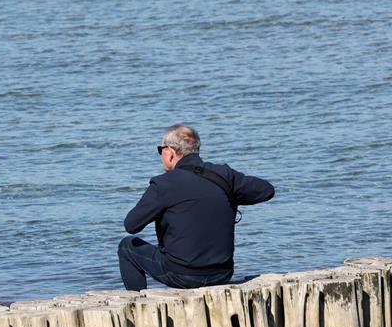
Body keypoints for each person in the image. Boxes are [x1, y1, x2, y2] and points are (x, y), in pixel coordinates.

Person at [118, 124, 275, 290]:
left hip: (182, 275)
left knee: (127, 246)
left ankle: (137, 302)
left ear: (169, 152)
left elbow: (131, 225)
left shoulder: (164, 184)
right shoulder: (224, 175)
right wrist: (229, 197)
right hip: (222, 273)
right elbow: (266, 190)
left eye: (160, 150)